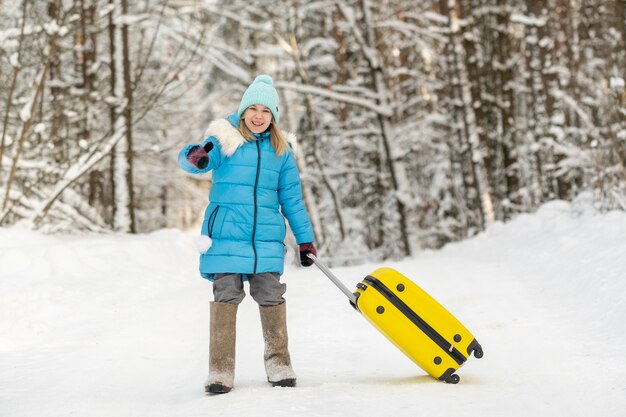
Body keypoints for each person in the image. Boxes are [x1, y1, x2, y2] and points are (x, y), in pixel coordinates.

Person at [177, 74, 318, 394]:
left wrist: (304, 239)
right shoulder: (224, 138)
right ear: (243, 111)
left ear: (274, 116)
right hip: (226, 234)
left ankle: (278, 360)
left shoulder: (282, 151)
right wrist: (195, 156)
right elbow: (199, 158)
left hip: (266, 238)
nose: (258, 115)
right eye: (252, 108)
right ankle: (220, 369)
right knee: (225, 294)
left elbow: (292, 199)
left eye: (265, 111)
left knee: (271, 293)